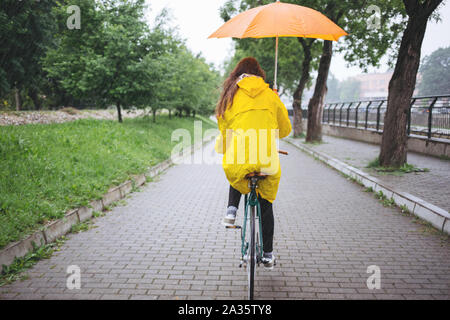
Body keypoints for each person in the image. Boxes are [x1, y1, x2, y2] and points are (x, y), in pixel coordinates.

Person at [214, 57, 292, 269]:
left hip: (240, 158)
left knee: (238, 164)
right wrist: (275, 103)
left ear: (237, 74)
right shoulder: (270, 95)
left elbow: (224, 128)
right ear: (259, 75)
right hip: (266, 160)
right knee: (266, 204)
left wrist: (227, 145)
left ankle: (231, 209)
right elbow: (285, 130)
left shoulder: (231, 95)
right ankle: (268, 254)